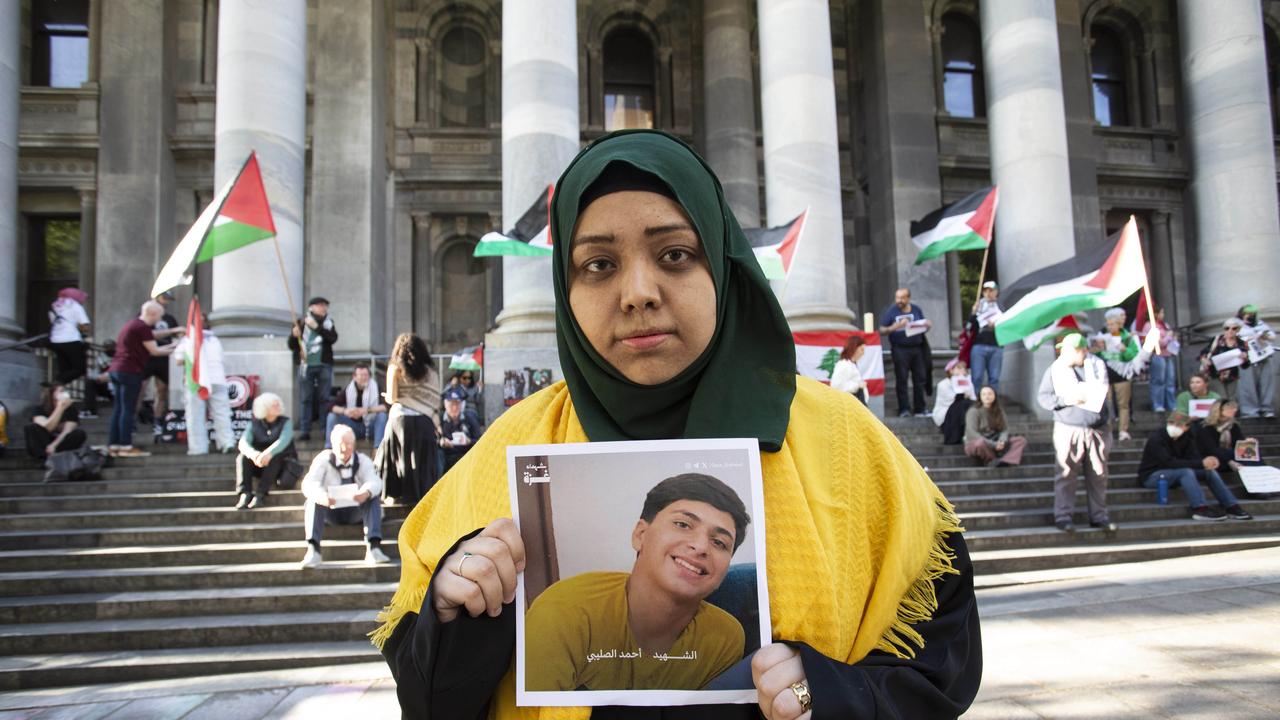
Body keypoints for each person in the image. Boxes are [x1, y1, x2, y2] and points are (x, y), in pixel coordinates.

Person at [373, 131, 980, 719]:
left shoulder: (844, 441)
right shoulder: (512, 445)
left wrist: (826, 694)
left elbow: (942, 662)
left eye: (675, 255)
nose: (638, 292)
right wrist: (458, 611)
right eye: (598, 264)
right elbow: (429, 702)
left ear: (721, 263)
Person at [524, 473, 749, 691]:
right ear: (640, 534)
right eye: (683, 524)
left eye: (719, 542)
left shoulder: (726, 639)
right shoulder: (564, 612)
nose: (700, 547)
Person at [1038, 332, 1116, 533]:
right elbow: (1044, 398)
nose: (1062, 352)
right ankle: (1063, 517)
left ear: (1082, 350)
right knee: (1066, 474)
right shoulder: (1055, 370)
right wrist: (1066, 400)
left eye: (1067, 349)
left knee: (1099, 474)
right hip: (1068, 428)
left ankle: (1099, 516)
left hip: (1097, 428)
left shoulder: (1098, 366)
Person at [300, 424, 390, 568]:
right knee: (313, 499)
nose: (344, 448)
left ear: (353, 445)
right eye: (340, 444)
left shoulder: (362, 460)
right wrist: (322, 496)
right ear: (333, 445)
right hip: (330, 511)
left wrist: (365, 492)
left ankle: (374, 548)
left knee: (372, 497)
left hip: (356, 511)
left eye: (348, 444)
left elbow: (375, 481)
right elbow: (309, 483)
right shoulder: (323, 459)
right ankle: (313, 550)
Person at [1137, 412, 1252, 521]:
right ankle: (1199, 508)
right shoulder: (1157, 438)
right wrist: (1201, 463)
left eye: (1178, 424)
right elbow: (1168, 462)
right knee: (1186, 472)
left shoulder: (1188, 437)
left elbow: (1194, 457)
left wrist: (1208, 462)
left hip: (1176, 472)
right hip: (1153, 475)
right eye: (1171, 423)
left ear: (1186, 427)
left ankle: (1231, 505)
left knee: (1208, 471)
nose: (1173, 426)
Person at [379, 332, 441, 506]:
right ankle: (423, 499)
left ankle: (397, 494)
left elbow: (391, 398)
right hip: (424, 420)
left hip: (400, 419)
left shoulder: (395, 367)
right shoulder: (431, 372)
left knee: (398, 459)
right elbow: (435, 400)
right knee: (423, 462)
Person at [107, 301, 175, 457]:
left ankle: (114, 444)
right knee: (127, 409)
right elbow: (155, 351)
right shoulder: (142, 327)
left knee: (119, 409)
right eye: (159, 316)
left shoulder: (132, 325)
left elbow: (153, 348)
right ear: (152, 313)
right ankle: (125, 446)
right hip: (129, 371)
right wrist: (176, 349)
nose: (159, 320)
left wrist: (172, 347)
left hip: (117, 370)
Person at [173, 315, 234, 455]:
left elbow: (179, 359)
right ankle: (227, 442)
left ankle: (198, 448)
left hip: (196, 381)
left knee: (195, 415)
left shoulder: (188, 340)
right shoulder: (215, 340)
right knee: (222, 413)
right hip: (217, 380)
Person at [234, 392, 298, 510]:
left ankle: (260, 494)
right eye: (275, 405)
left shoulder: (286, 422)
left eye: (279, 404)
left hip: (280, 465)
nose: (279, 406)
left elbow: (284, 440)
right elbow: (243, 443)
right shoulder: (254, 424)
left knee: (275, 457)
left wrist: (268, 454)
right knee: (242, 457)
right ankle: (245, 493)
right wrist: (254, 455)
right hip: (259, 463)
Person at [288, 297, 338, 441]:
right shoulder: (301, 322)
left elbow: (332, 338)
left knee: (324, 398)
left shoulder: (328, 323)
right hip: (306, 365)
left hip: (324, 364)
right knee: (305, 398)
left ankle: (324, 428)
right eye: (320, 305)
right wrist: (293, 335)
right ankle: (305, 430)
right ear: (311, 307)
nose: (324, 308)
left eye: (325, 306)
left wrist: (317, 327)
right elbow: (292, 345)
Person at [879, 288, 932, 417]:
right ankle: (904, 408)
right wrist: (895, 327)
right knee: (902, 379)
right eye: (897, 298)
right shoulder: (892, 311)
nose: (899, 301)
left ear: (908, 298)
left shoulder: (916, 309)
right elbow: (881, 329)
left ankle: (920, 408)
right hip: (900, 348)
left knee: (920, 378)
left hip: (917, 347)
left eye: (902, 298)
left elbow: (922, 324)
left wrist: (926, 325)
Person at [1092, 308, 1139, 442]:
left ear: (1119, 324)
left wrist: (1125, 350)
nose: (1110, 326)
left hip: (1123, 374)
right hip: (1105, 374)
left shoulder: (1127, 337)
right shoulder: (1102, 337)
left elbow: (1134, 354)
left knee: (1123, 405)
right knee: (1107, 404)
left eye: (1113, 324)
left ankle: (1123, 430)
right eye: (1108, 324)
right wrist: (1096, 350)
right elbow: (1096, 355)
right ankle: (1108, 429)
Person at [142, 291, 183, 432]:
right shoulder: (143, 318)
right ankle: (134, 419)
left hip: (164, 358)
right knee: (140, 389)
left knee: (162, 390)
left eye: (168, 299)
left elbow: (177, 336)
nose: (166, 302)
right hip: (147, 357)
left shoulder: (170, 318)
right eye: (164, 298)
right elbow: (145, 334)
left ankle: (158, 421)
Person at [324, 362, 389, 449]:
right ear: (354, 377)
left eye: (366, 375)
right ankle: (329, 449)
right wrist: (345, 411)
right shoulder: (349, 389)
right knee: (332, 416)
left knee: (382, 416)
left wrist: (367, 410)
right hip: (353, 426)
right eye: (361, 375)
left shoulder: (376, 387)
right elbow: (330, 405)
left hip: (371, 426)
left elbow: (387, 406)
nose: (364, 378)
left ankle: (378, 449)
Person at [964, 385, 1027, 468]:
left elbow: (1005, 429)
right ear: (980, 397)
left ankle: (1006, 460)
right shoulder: (973, 411)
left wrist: (1002, 441)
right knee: (979, 443)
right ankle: (992, 460)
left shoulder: (999, 410)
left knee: (1020, 440)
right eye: (984, 394)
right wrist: (993, 444)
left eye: (990, 394)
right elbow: (972, 433)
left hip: (996, 440)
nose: (987, 396)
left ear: (994, 396)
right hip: (978, 442)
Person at [22, 384, 87, 461]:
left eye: (65, 391)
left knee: (79, 433)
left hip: (60, 442)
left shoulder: (71, 409)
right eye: (61, 391)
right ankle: (42, 457)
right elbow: (48, 426)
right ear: (52, 394)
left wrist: (54, 445)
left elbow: (67, 430)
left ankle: (56, 457)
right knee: (31, 427)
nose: (64, 393)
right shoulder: (39, 409)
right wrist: (60, 408)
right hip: (44, 439)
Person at [47, 288, 92, 396]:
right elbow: (84, 324)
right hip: (71, 339)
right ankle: (57, 382)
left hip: (55, 340)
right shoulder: (75, 306)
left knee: (65, 369)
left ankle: (56, 393)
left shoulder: (55, 306)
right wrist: (86, 337)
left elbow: (53, 321)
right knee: (80, 368)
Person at [1194, 399, 1259, 472]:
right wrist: (1230, 462)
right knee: (1229, 453)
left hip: (1229, 455)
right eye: (1230, 408)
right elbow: (1212, 449)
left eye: (1235, 408)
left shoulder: (1233, 425)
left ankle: (1263, 472)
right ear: (1219, 410)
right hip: (1212, 457)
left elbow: (1238, 444)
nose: (1234, 410)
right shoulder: (1206, 427)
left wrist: (1246, 443)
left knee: (1250, 451)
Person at [1236, 304, 1276, 418]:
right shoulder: (1236, 325)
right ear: (1242, 314)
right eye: (1248, 314)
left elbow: (1272, 336)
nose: (1250, 316)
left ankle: (1267, 409)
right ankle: (1250, 411)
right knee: (1247, 385)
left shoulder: (1261, 324)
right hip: (1247, 358)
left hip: (1264, 356)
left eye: (1253, 314)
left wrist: (1264, 336)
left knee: (1267, 384)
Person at [1199, 317, 1248, 401]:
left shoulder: (1241, 343)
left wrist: (1245, 358)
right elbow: (1204, 352)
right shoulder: (1217, 340)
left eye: (1234, 328)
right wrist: (1204, 359)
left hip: (1232, 375)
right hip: (1214, 374)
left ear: (1238, 330)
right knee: (1221, 398)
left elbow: (1245, 365)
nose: (1230, 330)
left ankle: (1229, 414)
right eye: (1227, 328)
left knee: (1231, 399)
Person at [1140, 306, 1177, 413]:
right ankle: (1158, 404)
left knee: (1170, 380)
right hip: (1157, 355)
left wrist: (1173, 339)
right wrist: (1169, 337)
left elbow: (1170, 340)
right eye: (1161, 312)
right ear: (1155, 313)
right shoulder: (1148, 326)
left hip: (1168, 355)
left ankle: (1171, 404)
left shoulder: (1165, 325)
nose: (1163, 315)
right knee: (1158, 380)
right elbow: (1158, 343)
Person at [968, 281, 1003, 392]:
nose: (988, 293)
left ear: (996, 292)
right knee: (977, 377)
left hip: (996, 345)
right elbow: (969, 327)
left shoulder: (1001, 306)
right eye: (985, 291)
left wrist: (996, 325)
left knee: (994, 378)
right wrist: (973, 313)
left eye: (991, 291)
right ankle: (976, 403)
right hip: (979, 345)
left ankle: (993, 405)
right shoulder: (978, 306)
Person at [439, 386, 482, 474]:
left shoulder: (469, 418)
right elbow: (432, 440)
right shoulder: (440, 419)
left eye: (457, 404)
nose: (455, 408)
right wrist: (441, 442)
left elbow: (480, 441)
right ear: (445, 405)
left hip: (466, 456)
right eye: (451, 405)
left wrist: (469, 441)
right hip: (446, 456)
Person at [933, 359, 976, 445]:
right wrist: (962, 395)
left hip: (964, 410)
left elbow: (973, 398)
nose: (962, 370)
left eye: (963, 368)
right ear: (951, 370)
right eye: (958, 368)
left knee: (968, 404)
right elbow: (949, 400)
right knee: (963, 404)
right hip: (948, 413)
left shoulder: (969, 383)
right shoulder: (943, 384)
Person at [828, 335, 866, 403]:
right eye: (862, 349)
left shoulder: (851, 364)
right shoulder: (844, 364)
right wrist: (857, 386)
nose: (863, 353)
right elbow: (836, 386)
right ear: (854, 348)